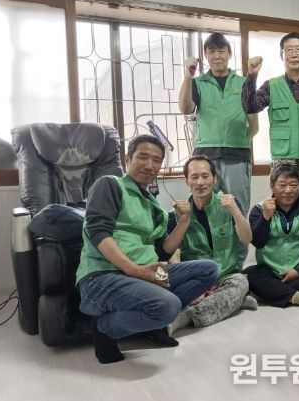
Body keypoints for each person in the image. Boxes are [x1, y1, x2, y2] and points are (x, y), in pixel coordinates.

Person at [76, 135, 218, 364]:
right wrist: (136, 271)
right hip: (105, 275)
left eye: (157, 160)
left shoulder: (152, 203)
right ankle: (104, 329)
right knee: (168, 305)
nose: (150, 165)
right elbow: (98, 232)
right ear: (127, 159)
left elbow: (163, 251)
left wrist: (184, 221)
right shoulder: (110, 185)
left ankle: (154, 323)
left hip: (145, 272)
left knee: (208, 270)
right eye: (143, 157)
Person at [178, 32, 258, 269]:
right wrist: (188, 76)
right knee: (204, 211)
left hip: (236, 157)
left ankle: (237, 267)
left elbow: (253, 124)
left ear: (229, 54)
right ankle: (207, 263)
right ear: (205, 55)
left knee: (237, 211)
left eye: (221, 51)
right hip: (205, 157)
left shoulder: (242, 83)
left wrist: (240, 141)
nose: (216, 56)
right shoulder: (198, 83)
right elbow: (185, 108)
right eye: (211, 52)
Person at [166, 155, 258, 335]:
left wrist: (236, 212)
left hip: (226, 274)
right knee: (171, 292)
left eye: (205, 176)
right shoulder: (176, 213)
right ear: (186, 181)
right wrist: (188, 282)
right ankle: (234, 301)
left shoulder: (229, 204)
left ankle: (186, 317)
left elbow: (247, 239)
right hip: (196, 276)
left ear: (214, 178)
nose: (200, 182)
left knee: (241, 282)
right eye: (194, 177)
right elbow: (173, 252)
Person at [242, 32, 299, 206]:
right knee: (284, 208)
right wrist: (251, 76)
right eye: (288, 50)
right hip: (283, 160)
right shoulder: (271, 86)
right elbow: (249, 106)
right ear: (281, 55)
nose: (294, 54)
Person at [244, 164, 299, 312]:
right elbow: (258, 242)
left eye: (294, 185)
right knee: (249, 275)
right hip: (270, 270)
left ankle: (268, 292)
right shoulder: (259, 209)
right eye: (282, 185)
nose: (288, 190)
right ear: (272, 186)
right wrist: (265, 217)